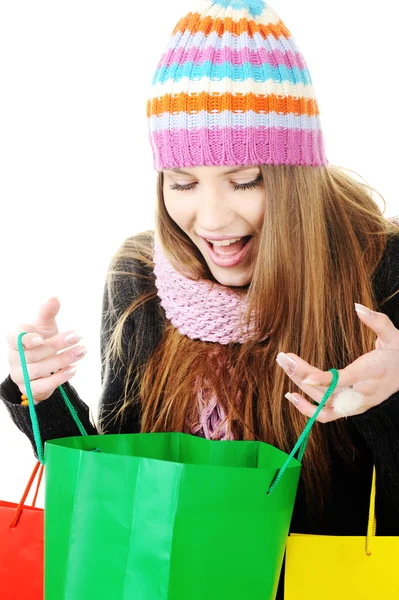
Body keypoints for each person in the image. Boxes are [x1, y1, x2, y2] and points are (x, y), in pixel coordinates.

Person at [2, 0, 399, 597]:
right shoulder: (141, 279)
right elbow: (121, 495)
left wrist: (392, 402)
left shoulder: (381, 274)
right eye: (182, 182)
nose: (210, 218)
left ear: (295, 177)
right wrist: (44, 401)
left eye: (245, 181)